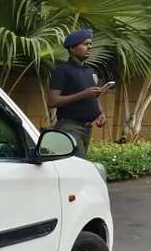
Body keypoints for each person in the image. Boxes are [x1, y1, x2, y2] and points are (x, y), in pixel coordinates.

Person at [47, 29, 110, 157]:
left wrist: (100, 113)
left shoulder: (90, 71)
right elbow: (52, 101)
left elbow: (95, 96)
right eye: (85, 44)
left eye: (90, 44)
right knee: (78, 164)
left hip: (87, 128)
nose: (90, 47)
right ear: (72, 48)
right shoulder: (62, 70)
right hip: (69, 127)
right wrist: (83, 94)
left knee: (79, 163)